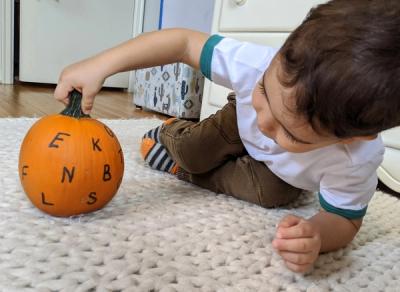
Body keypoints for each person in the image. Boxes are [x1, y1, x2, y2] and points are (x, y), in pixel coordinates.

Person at [54, 0, 400, 273]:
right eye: (266, 90)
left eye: (291, 132)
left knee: (271, 196)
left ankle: (183, 171)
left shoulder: (358, 158)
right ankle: (172, 133)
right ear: (280, 55)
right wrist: (101, 64)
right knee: (193, 151)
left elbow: (345, 219)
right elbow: (182, 42)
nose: (267, 123)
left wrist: (317, 236)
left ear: (352, 139)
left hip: (279, 175)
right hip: (237, 120)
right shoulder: (255, 65)